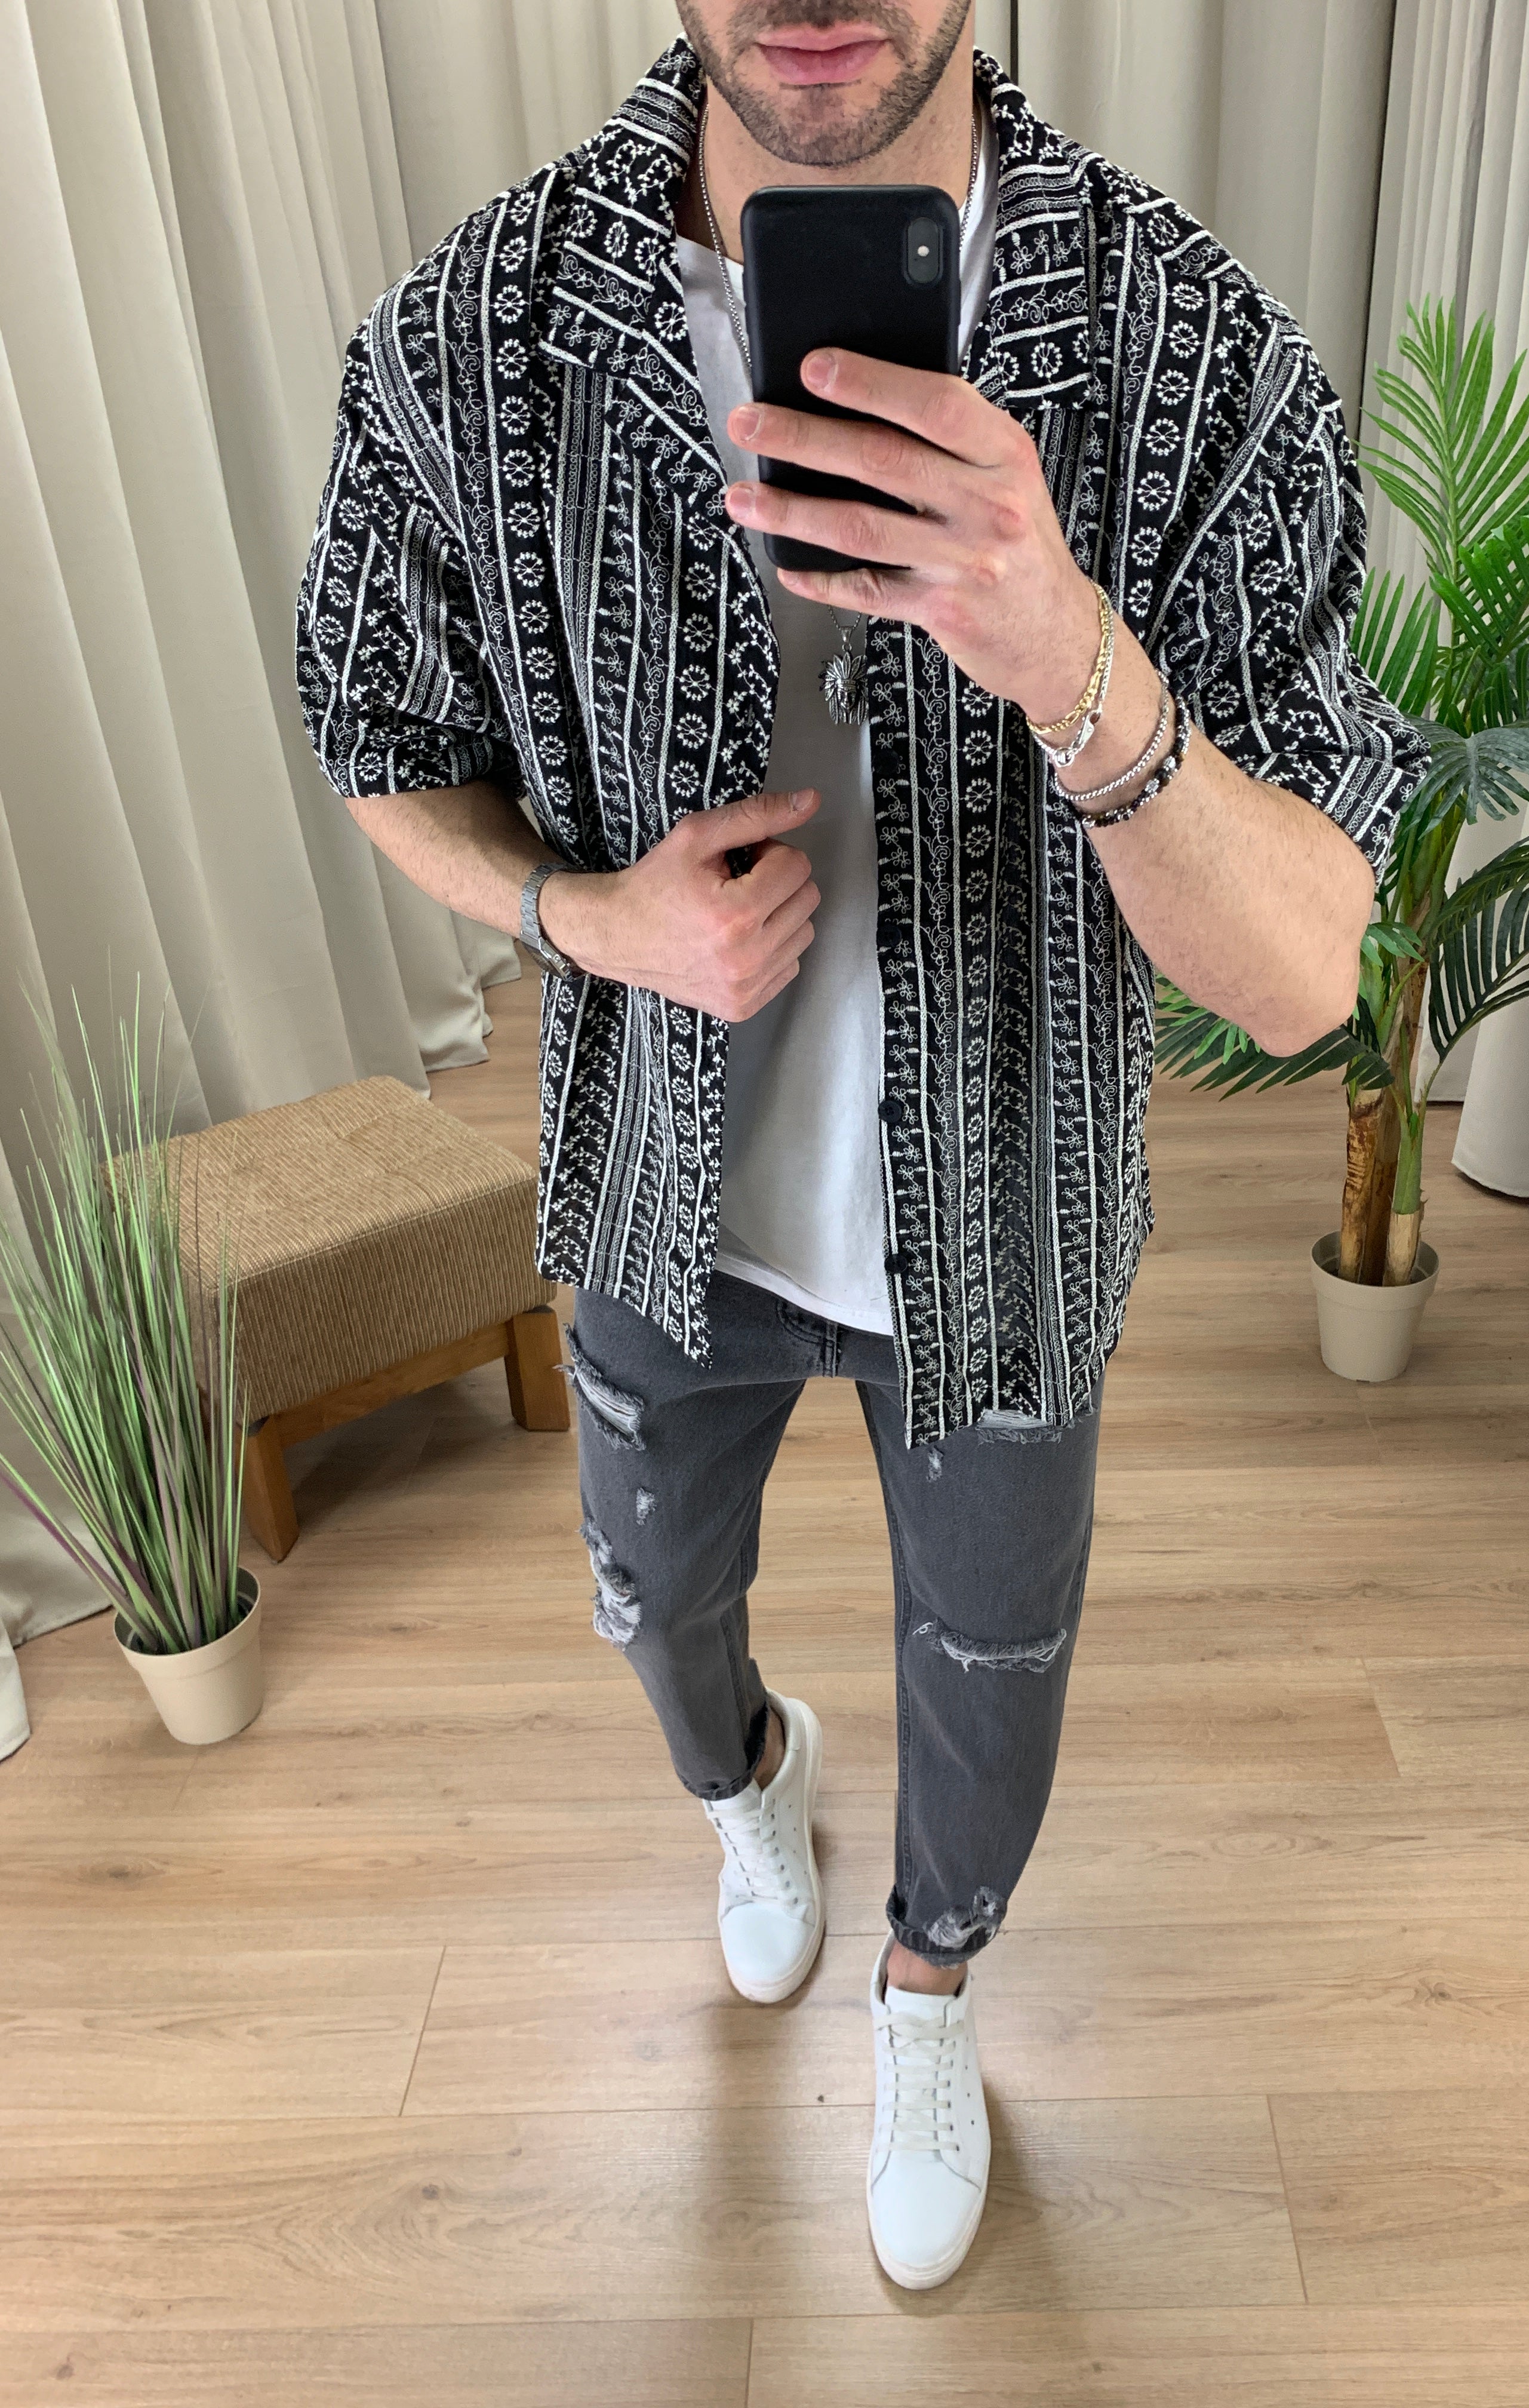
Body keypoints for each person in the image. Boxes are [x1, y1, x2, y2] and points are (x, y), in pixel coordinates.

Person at [297, 1, 1423, 2291]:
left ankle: (931, 1987)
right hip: (655, 1183)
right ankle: (750, 1786)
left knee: (995, 1668)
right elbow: (367, 724)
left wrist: (1068, 648)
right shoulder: (475, 333)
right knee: (651, 1611)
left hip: (1008, 1219)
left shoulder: (1190, 344)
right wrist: (584, 917)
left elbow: (1313, 970)